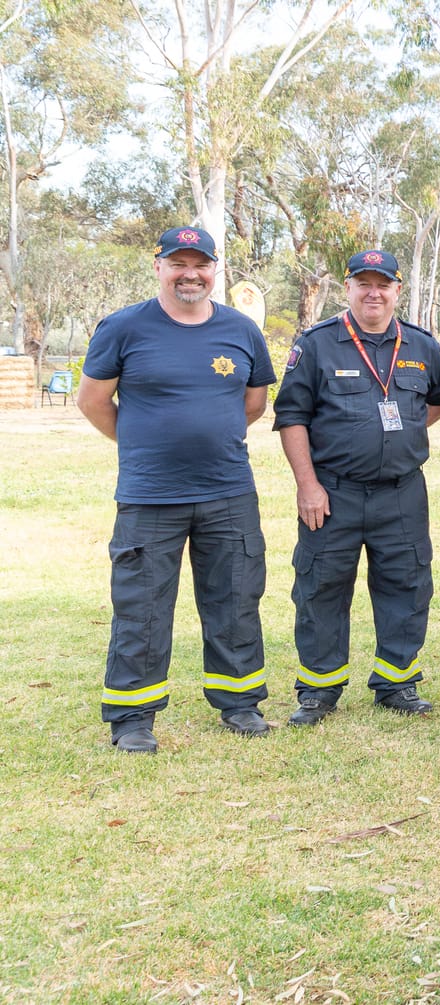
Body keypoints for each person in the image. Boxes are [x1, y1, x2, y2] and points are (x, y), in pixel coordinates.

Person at [78, 226, 276, 752]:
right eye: (178, 264)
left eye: (201, 264)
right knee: (141, 606)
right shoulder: (123, 327)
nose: (191, 274)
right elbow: (93, 401)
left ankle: (240, 703)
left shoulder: (241, 330)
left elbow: (254, 403)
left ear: (215, 270)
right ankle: (133, 718)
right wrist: (144, 443)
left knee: (236, 599)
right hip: (149, 495)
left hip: (228, 491)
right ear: (159, 266)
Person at [274, 249, 440, 725]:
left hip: (402, 491)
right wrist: (307, 485)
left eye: (383, 284)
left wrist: (400, 434)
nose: (374, 293)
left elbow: (438, 401)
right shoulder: (317, 344)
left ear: (397, 290)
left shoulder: (422, 346)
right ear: (347, 287)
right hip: (333, 493)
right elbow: (291, 417)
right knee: (320, 587)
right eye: (364, 283)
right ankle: (319, 690)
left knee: (408, 584)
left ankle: (396, 682)